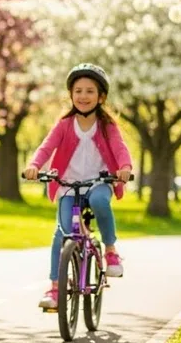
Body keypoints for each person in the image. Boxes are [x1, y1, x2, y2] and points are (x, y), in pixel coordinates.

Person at [24, 64, 133, 312]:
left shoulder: (107, 126)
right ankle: (54, 288)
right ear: (71, 95)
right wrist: (34, 165)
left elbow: (119, 148)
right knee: (61, 232)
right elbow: (46, 147)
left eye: (90, 91)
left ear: (101, 96)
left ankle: (111, 250)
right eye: (78, 91)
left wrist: (124, 167)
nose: (83, 96)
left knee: (99, 202)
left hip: (99, 183)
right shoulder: (64, 124)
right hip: (68, 186)